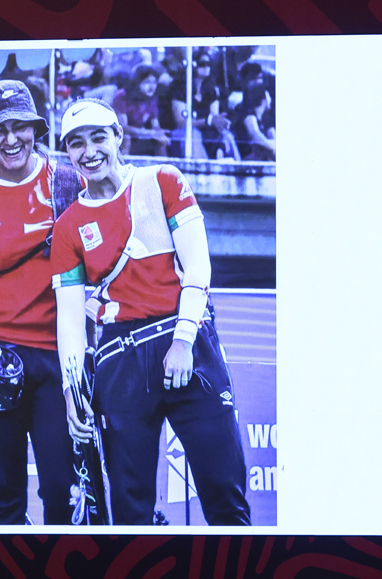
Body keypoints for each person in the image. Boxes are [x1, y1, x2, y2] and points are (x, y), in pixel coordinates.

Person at [49, 99, 250, 526]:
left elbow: (199, 266)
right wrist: (72, 392)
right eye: (76, 143)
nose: (89, 152)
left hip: (188, 346)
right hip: (120, 361)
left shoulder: (163, 181)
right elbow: (69, 320)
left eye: (99, 137)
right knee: (129, 507)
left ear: (119, 136)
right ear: (67, 151)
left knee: (224, 492)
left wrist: (182, 340)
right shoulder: (67, 227)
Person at [0, 79, 79, 524]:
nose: (11, 140)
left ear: (37, 129)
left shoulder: (65, 180)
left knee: (64, 492)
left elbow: (100, 251)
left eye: (21, 127)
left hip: (58, 359)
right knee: (0, 499)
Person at [112, 64, 170, 157]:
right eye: (147, 82)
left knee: (162, 141)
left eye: (154, 82)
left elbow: (155, 125)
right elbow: (124, 127)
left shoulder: (152, 98)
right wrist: (150, 133)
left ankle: (164, 170)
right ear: (137, 83)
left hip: (142, 134)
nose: (152, 87)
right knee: (126, 138)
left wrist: (160, 133)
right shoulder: (122, 96)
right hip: (122, 135)